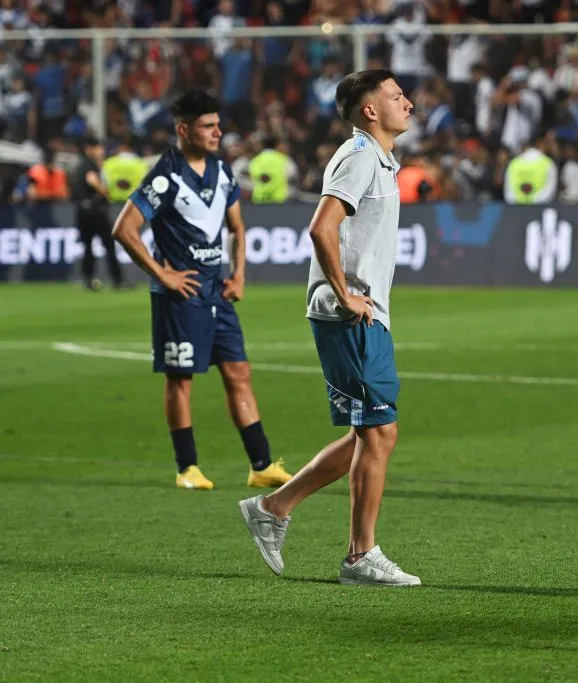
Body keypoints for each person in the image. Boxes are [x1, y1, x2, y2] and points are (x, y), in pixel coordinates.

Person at [238, 69, 421, 587]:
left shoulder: (381, 159)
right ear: (369, 111)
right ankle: (360, 557)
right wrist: (345, 294)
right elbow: (321, 227)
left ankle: (274, 506)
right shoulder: (360, 157)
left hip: (365, 314)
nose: (406, 102)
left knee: (371, 432)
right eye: (394, 96)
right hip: (349, 315)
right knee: (379, 431)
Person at [111, 89, 293, 491]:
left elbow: (237, 228)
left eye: (217, 124)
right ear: (183, 129)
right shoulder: (164, 176)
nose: (217, 132)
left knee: (238, 372)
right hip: (181, 296)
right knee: (181, 380)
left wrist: (239, 274)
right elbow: (124, 229)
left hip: (217, 291)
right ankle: (187, 467)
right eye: (208, 126)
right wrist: (163, 275)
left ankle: (261, 465)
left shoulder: (222, 171)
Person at [72, 135, 125, 291]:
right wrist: (105, 191)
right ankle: (118, 280)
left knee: (87, 247)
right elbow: (92, 181)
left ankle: (88, 280)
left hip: (82, 211)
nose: (100, 150)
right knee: (109, 245)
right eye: (97, 147)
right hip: (95, 211)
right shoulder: (89, 165)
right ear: (90, 148)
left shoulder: (82, 164)